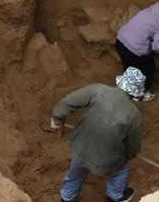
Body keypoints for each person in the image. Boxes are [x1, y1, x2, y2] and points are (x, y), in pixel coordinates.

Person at [51, 67, 145, 202]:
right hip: (108, 158)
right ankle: (115, 196)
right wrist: (128, 155)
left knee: (76, 170)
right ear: (135, 93)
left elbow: (69, 101)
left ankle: (67, 197)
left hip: (81, 146)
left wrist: (57, 117)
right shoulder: (133, 114)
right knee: (119, 172)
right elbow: (133, 145)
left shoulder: (98, 90)